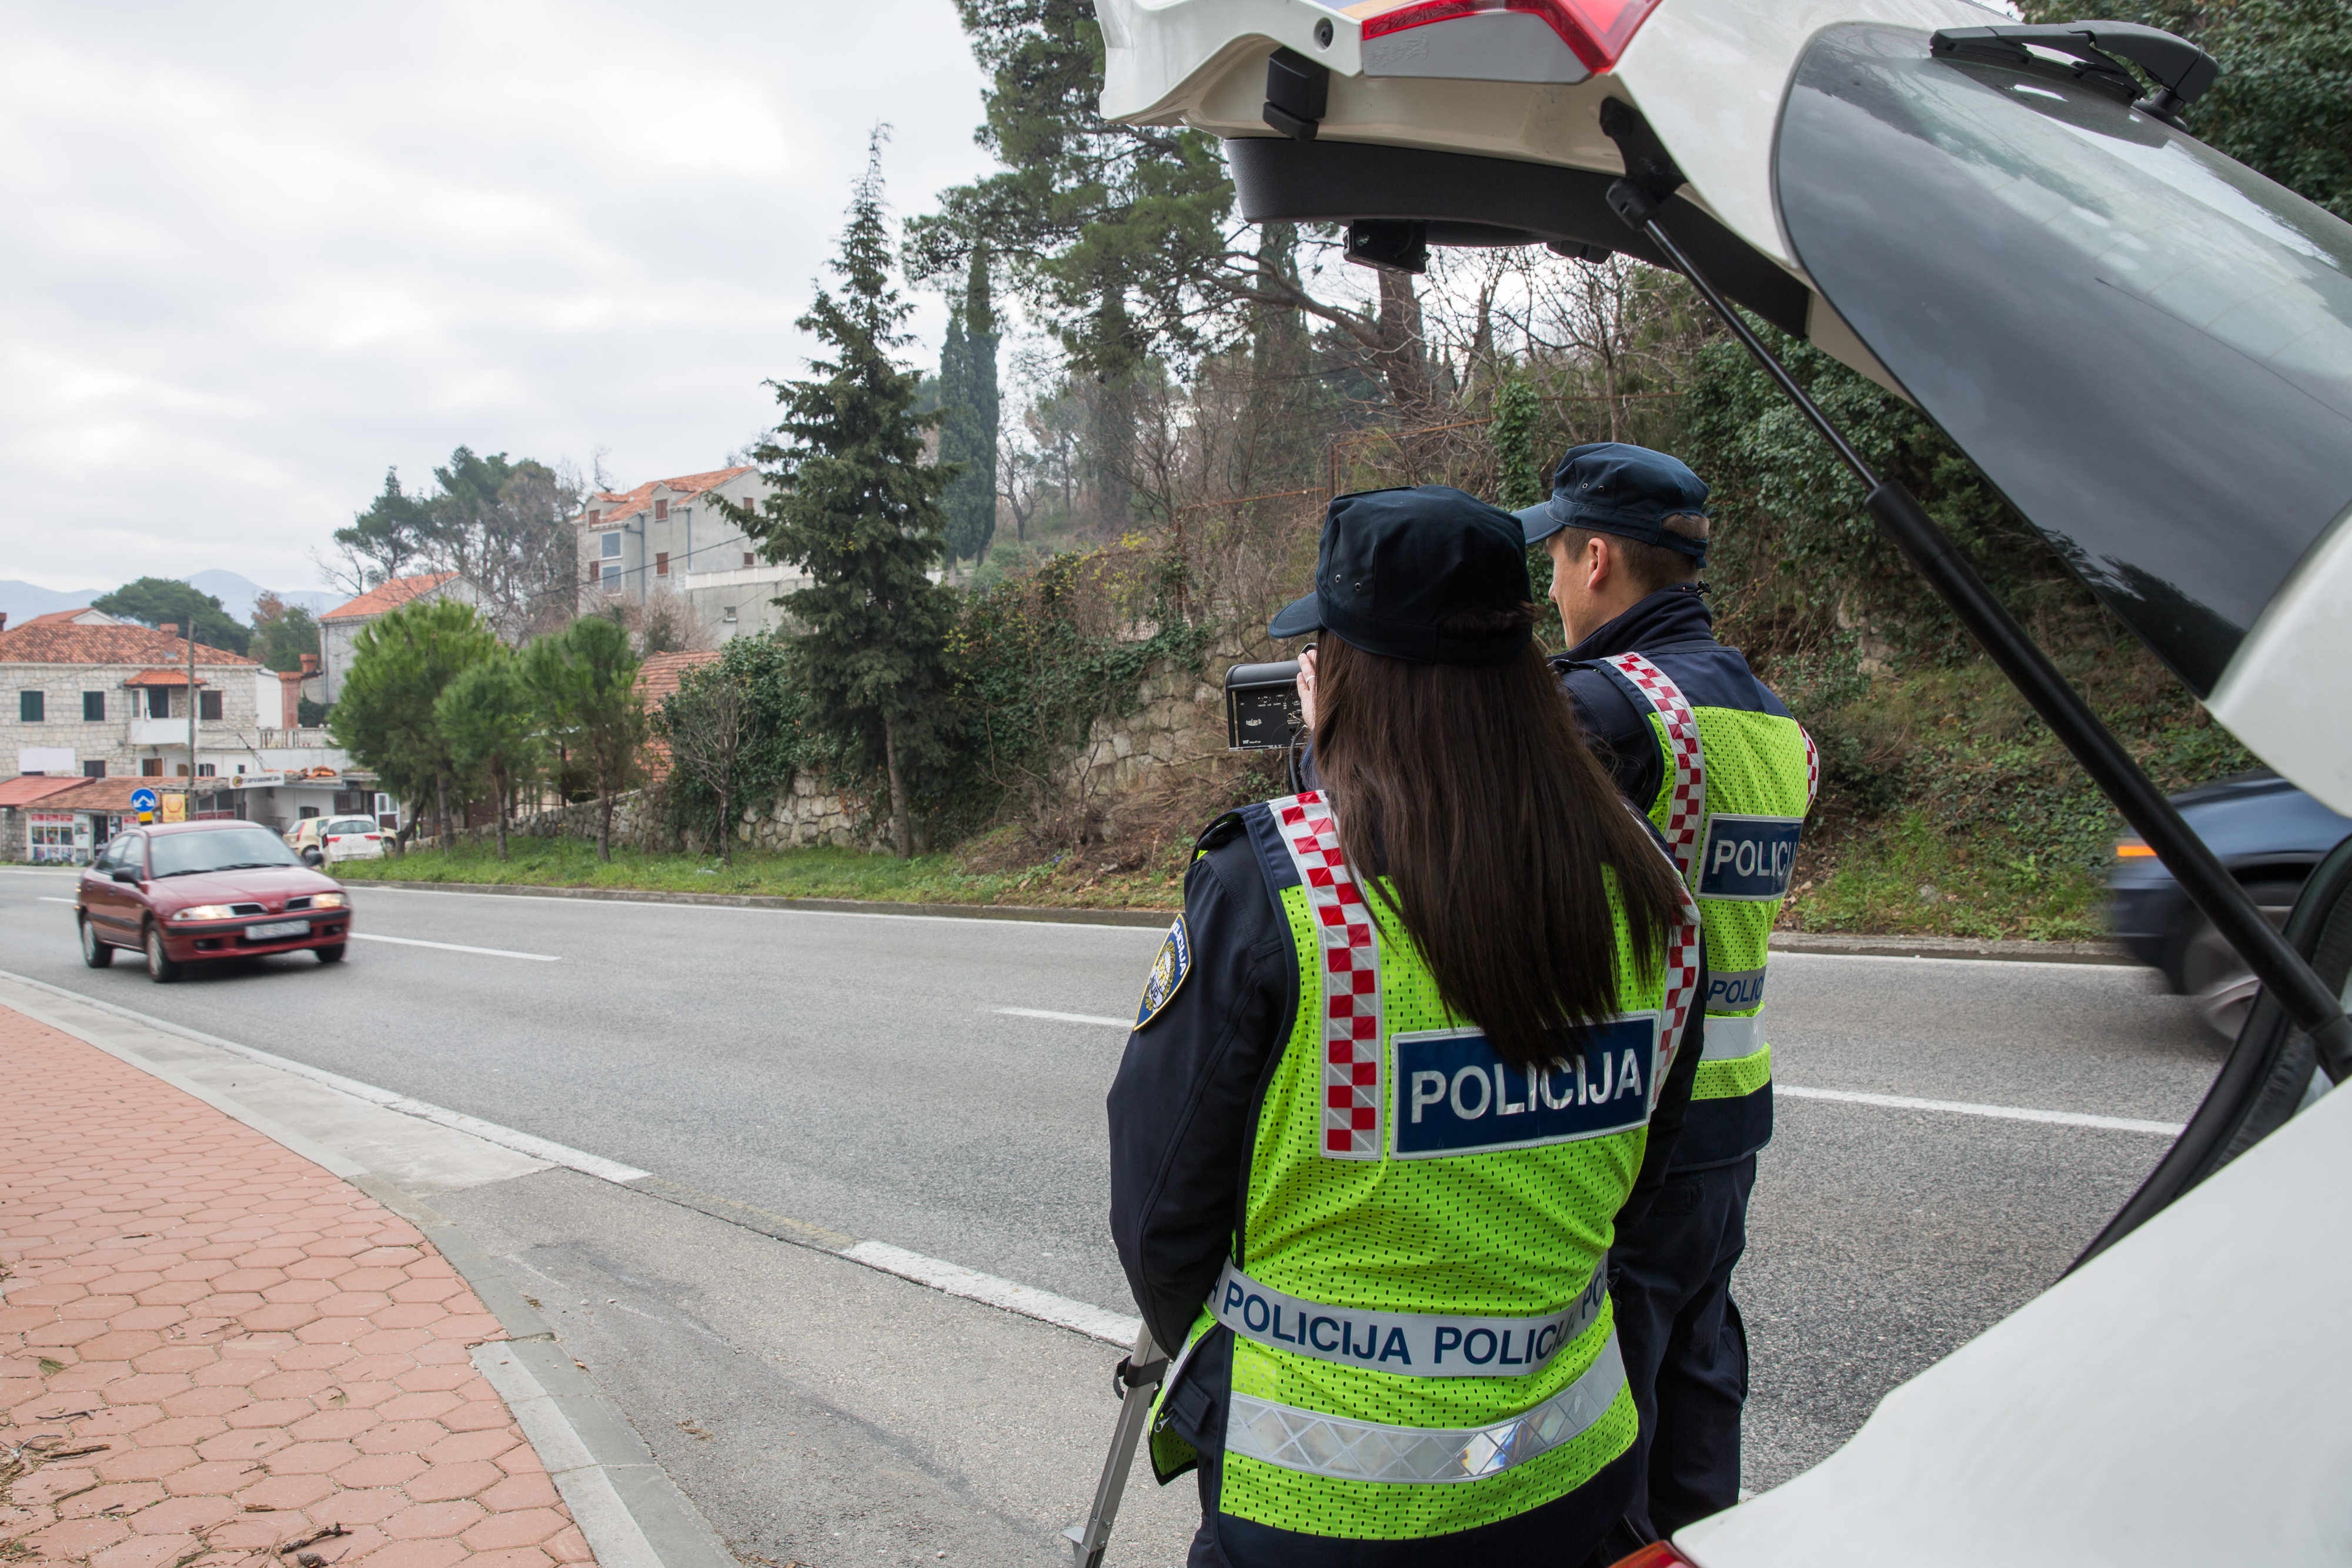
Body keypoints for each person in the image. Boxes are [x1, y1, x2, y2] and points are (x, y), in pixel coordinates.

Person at [1107, 484, 1709, 1568]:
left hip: (1319, 1513)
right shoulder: (1649, 884)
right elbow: (1644, 1187)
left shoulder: (1278, 893)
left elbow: (1161, 1218)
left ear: (1339, 671)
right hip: (1570, 1477)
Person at [1515, 443, 1817, 1542]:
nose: (1549, 584)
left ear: (1598, 559)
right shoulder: (1774, 720)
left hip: (1629, 1134)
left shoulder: (1604, 705)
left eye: (1554, 556)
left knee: (1607, 1439)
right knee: (1700, 1394)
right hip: (1732, 1122)